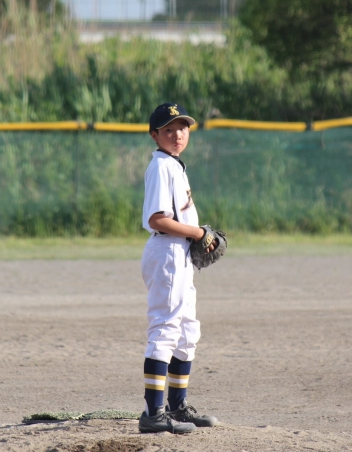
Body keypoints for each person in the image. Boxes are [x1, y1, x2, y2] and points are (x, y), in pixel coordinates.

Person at [138, 102, 220, 434]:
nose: (177, 134)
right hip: (167, 251)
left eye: (182, 127)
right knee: (166, 329)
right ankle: (153, 414)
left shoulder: (173, 165)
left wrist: (195, 235)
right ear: (154, 135)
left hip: (178, 252)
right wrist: (198, 233)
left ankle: (177, 407)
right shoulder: (161, 166)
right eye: (168, 129)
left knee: (187, 332)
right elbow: (157, 219)